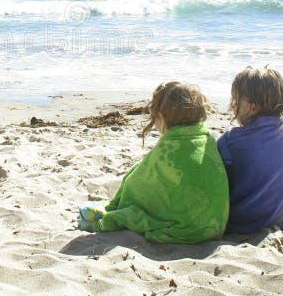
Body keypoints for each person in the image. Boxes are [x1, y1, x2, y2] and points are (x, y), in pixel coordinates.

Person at [77, 81, 229, 244]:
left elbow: (138, 185)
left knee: (134, 213)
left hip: (185, 231)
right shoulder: (208, 140)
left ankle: (107, 215)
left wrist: (119, 204)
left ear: (162, 117)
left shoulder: (169, 146)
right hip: (216, 226)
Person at [217, 66, 283, 233]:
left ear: (253, 107)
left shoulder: (230, 141)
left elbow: (217, 182)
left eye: (235, 100)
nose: (232, 105)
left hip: (247, 223)